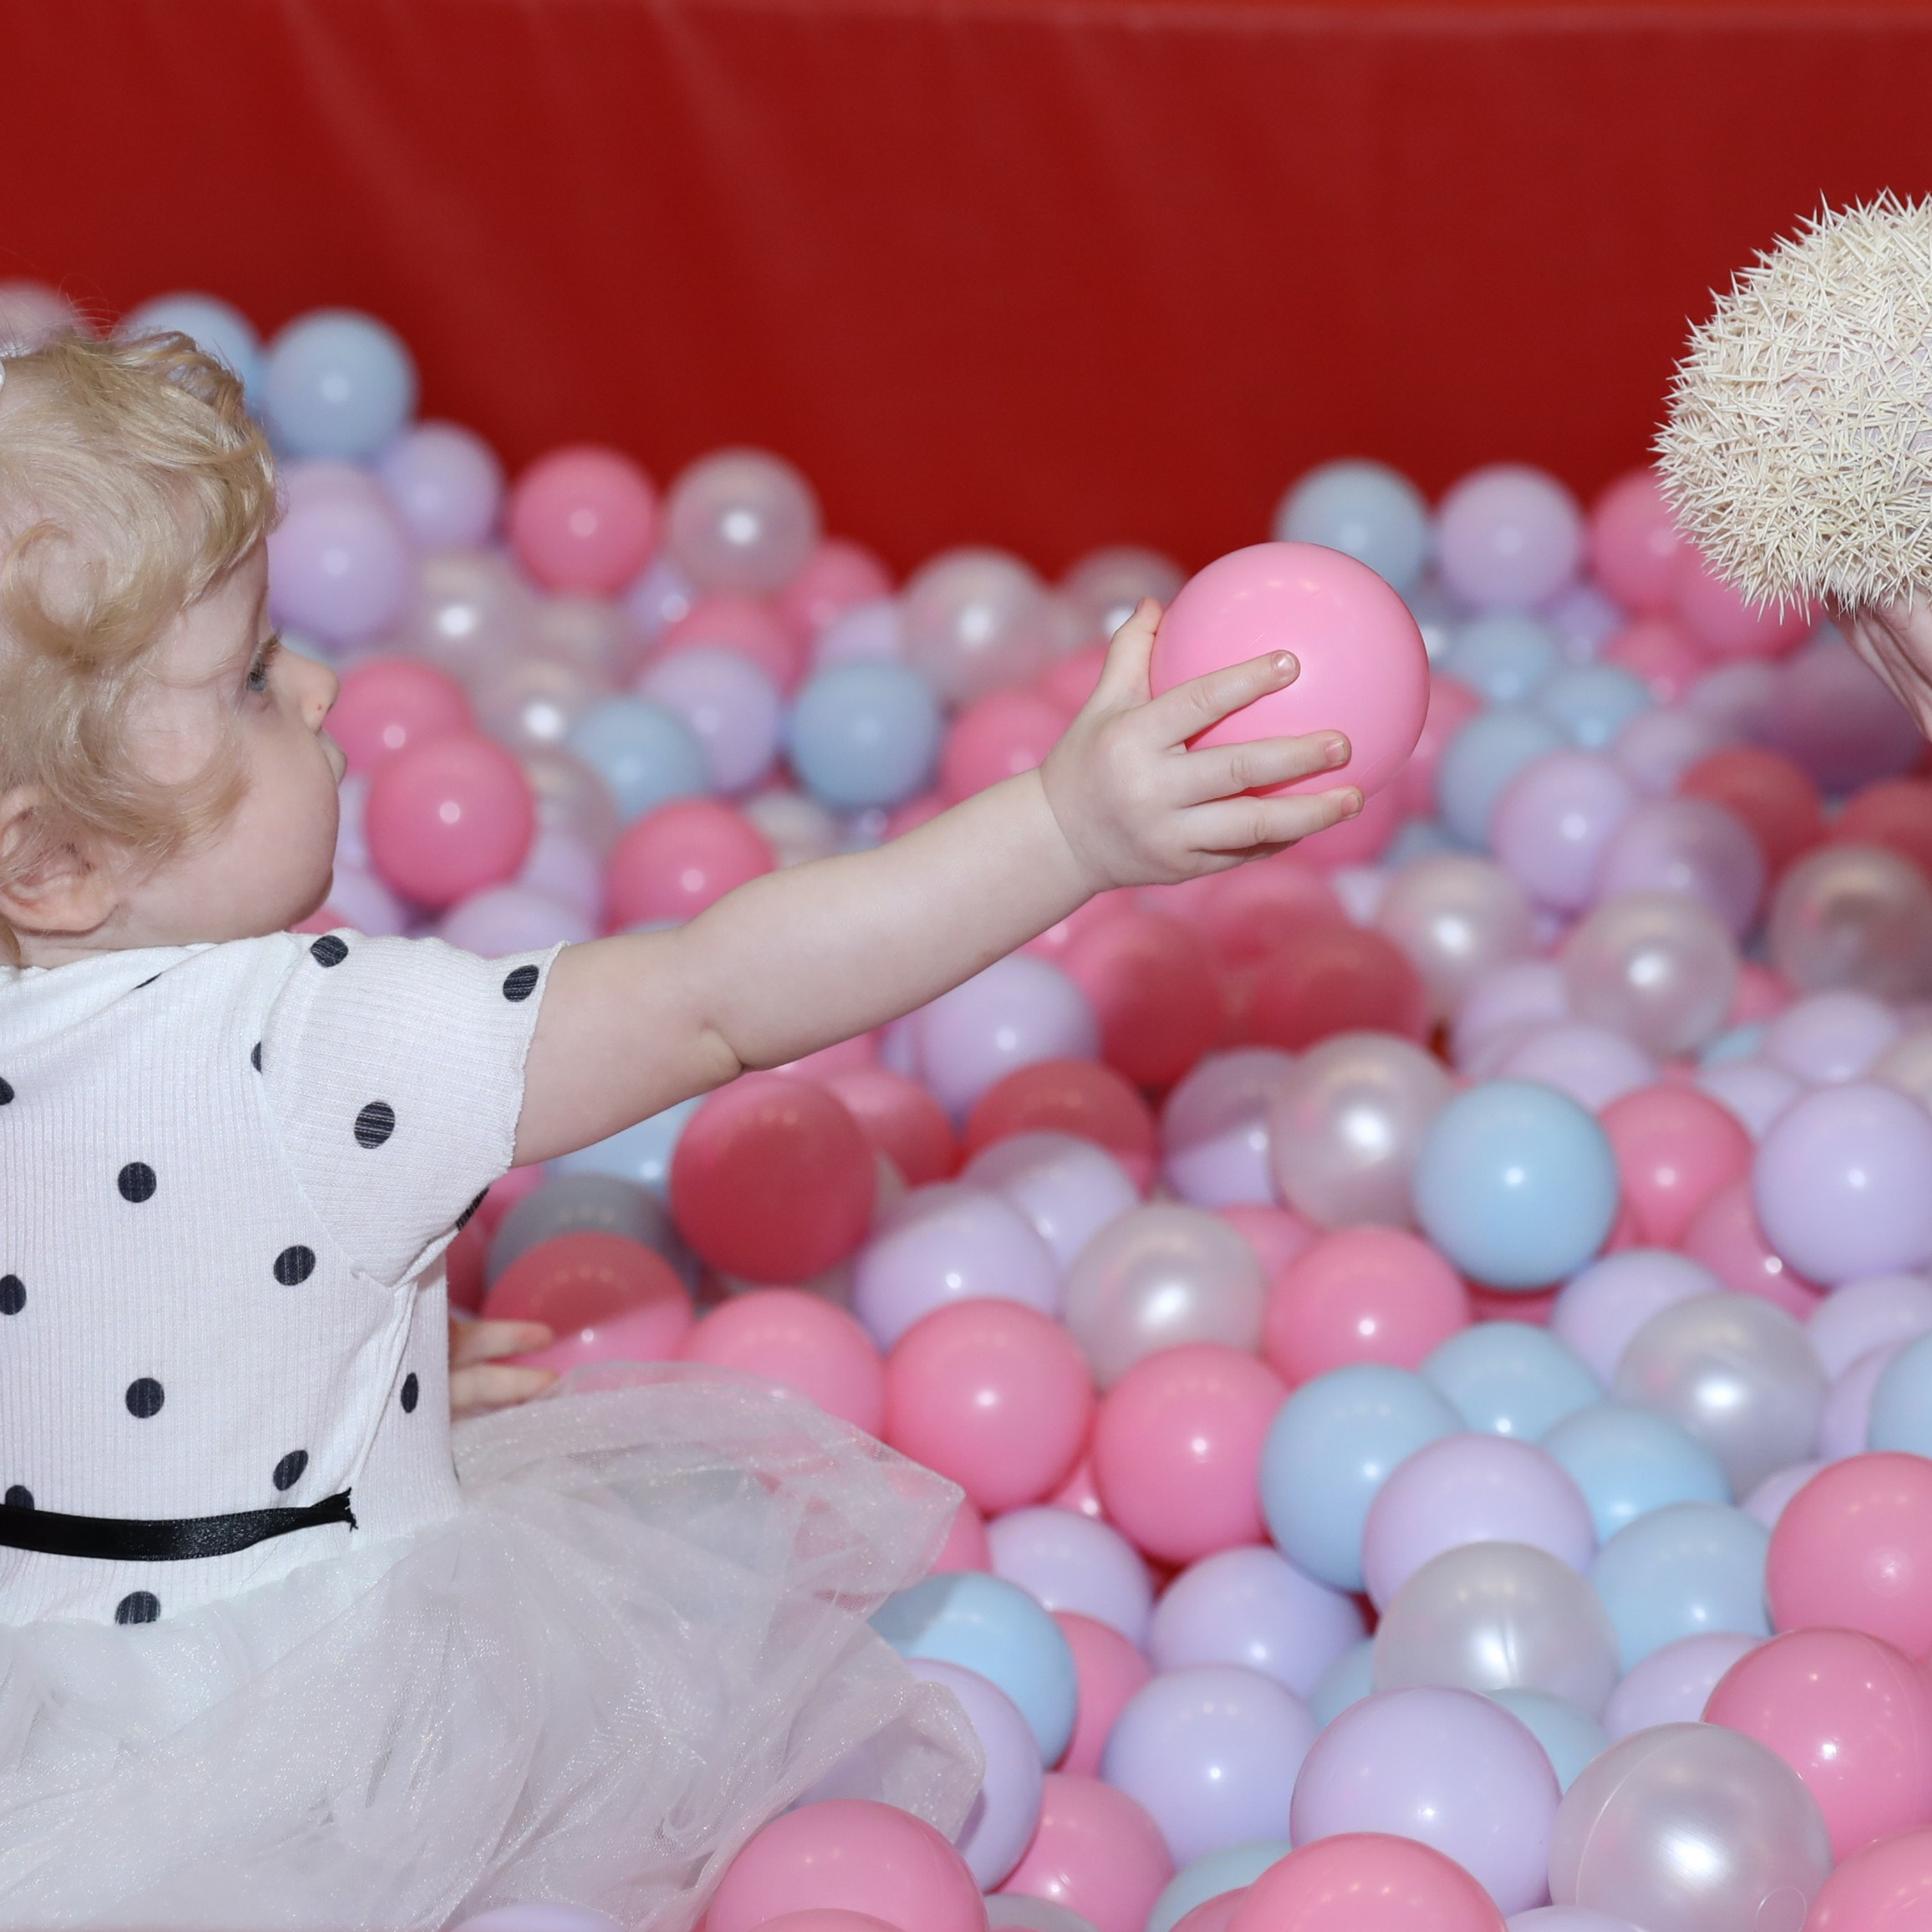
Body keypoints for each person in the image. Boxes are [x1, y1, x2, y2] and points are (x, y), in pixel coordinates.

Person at [0, 331, 1359, 1927]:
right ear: (58, 864)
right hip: (323, 1761)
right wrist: (1061, 829)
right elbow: (713, 993)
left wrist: (348, 1358)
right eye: (245, 679)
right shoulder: (303, 1041)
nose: (318, 686)